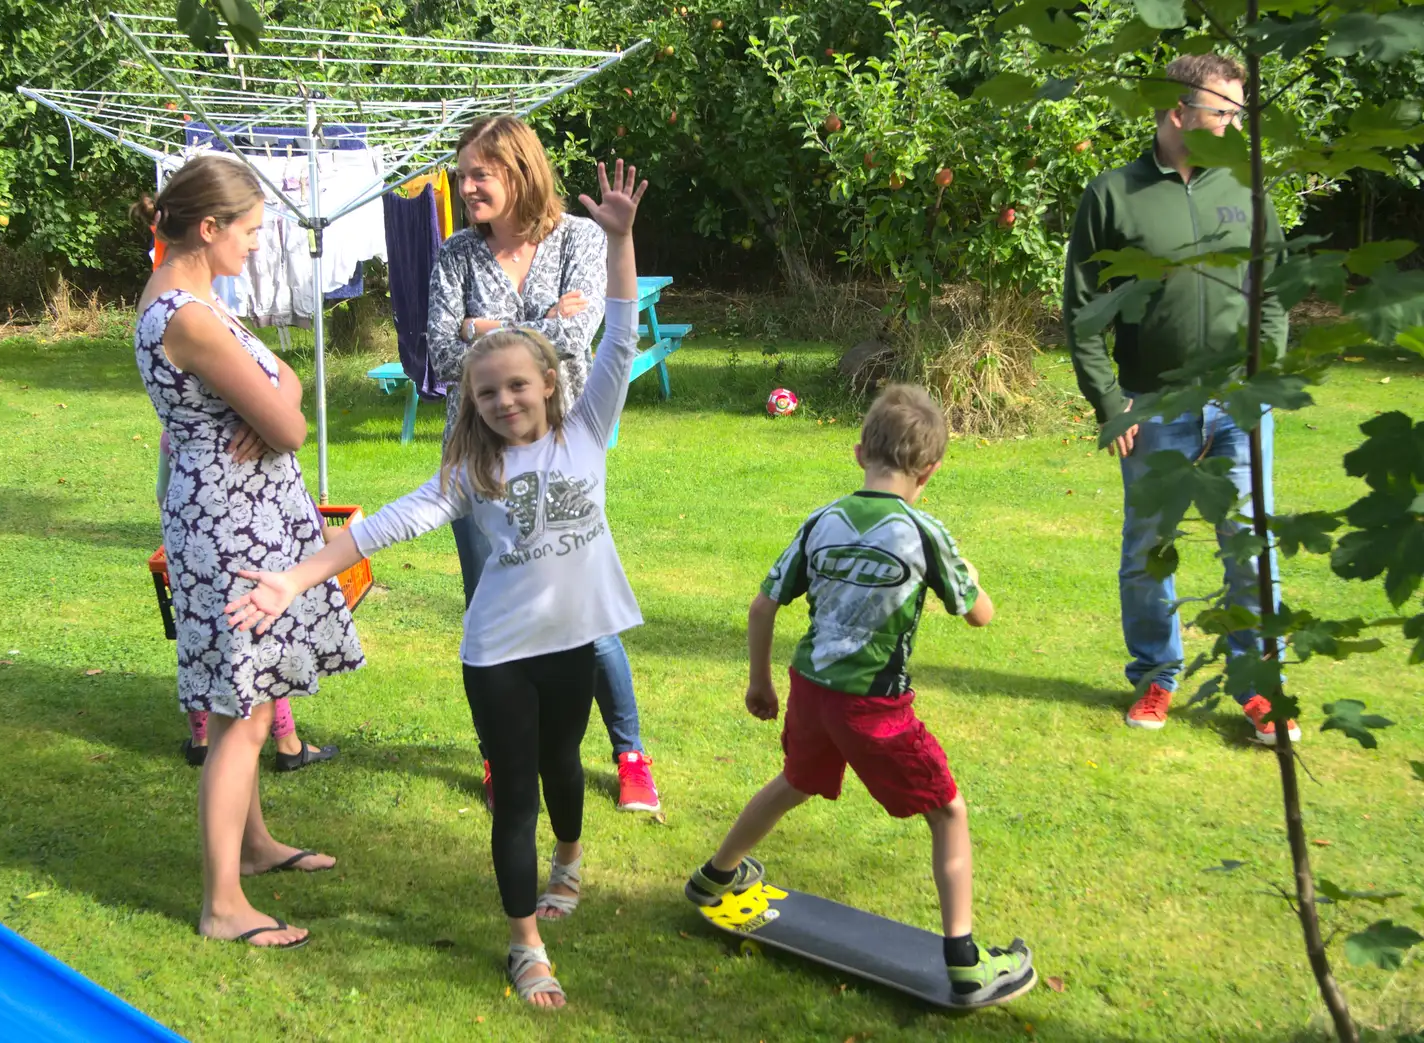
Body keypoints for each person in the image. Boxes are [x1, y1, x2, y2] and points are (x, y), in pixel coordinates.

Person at [226, 161, 648, 1007]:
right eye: (486, 391)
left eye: (517, 386)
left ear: (550, 384)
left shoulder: (590, 427)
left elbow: (623, 331)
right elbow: (381, 524)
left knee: (566, 767)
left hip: (572, 641)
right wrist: (294, 579)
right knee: (515, 790)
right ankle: (524, 943)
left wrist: (621, 239)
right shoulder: (470, 468)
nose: (502, 401)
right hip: (497, 653)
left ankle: (572, 858)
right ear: (473, 401)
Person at [683, 384, 1035, 1007]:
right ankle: (963, 960)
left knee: (795, 781)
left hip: (811, 693)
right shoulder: (924, 531)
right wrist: (973, 579)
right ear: (932, 470)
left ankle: (714, 877)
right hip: (875, 709)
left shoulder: (822, 521)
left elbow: (762, 604)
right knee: (947, 812)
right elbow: (980, 615)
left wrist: (758, 681)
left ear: (858, 453)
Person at [132, 154, 365, 951]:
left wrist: (277, 401)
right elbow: (292, 423)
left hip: (232, 510)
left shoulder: (185, 300)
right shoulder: (189, 317)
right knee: (240, 711)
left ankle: (256, 846)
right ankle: (223, 902)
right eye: (252, 232)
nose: (258, 246)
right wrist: (277, 408)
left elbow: (287, 387)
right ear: (209, 228)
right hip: (230, 521)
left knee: (254, 696)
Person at [426, 115, 660, 813]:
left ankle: (630, 755)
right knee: (489, 609)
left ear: (520, 172)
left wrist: (483, 330)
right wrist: (525, 331)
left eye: (478, 174)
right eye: (461, 174)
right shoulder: (453, 257)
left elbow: (579, 335)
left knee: (583, 609)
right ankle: (502, 758)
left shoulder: (579, 239)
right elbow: (440, 356)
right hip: (479, 461)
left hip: (562, 455)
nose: (465, 187)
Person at [1062, 53, 1297, 745]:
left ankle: (1258, 689)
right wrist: (1110, 403)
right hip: (1151, 408)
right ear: (1177, 115)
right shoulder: (1113, 196)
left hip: (1237, 405)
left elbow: (1275, 289)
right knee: (1149, 550)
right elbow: (1082, 311)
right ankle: (1156, 676)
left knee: (1248, 546)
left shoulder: (1247, 189)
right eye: (1225, 113)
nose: (1237, 124)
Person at [157, 415, 337, 772]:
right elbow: (290, 495)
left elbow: (163, 492)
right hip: (249, 548)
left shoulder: (175, 429)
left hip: (193, 546)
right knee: (259, 642)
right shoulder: (255, 427)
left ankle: (201, 741)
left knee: (202, 640)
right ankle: (287, 743)